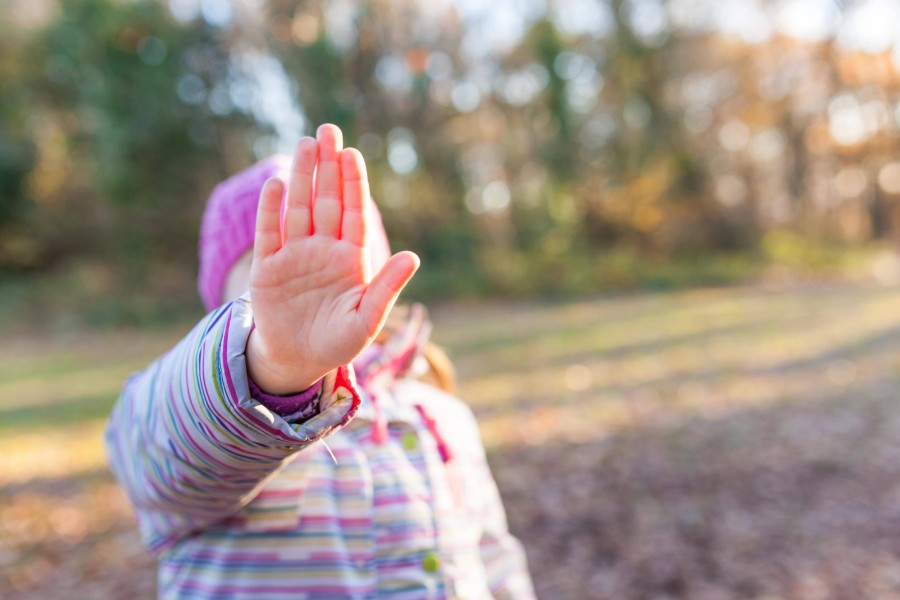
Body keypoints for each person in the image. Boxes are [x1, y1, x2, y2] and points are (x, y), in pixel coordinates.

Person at [105, 124, 535, 599]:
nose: (306, 303)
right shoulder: (200, 409)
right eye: (263, 284)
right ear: (219, 309)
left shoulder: (441, 416)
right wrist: (275, 366)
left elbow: (495, 557)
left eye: (327, 275)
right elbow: (161, 454)